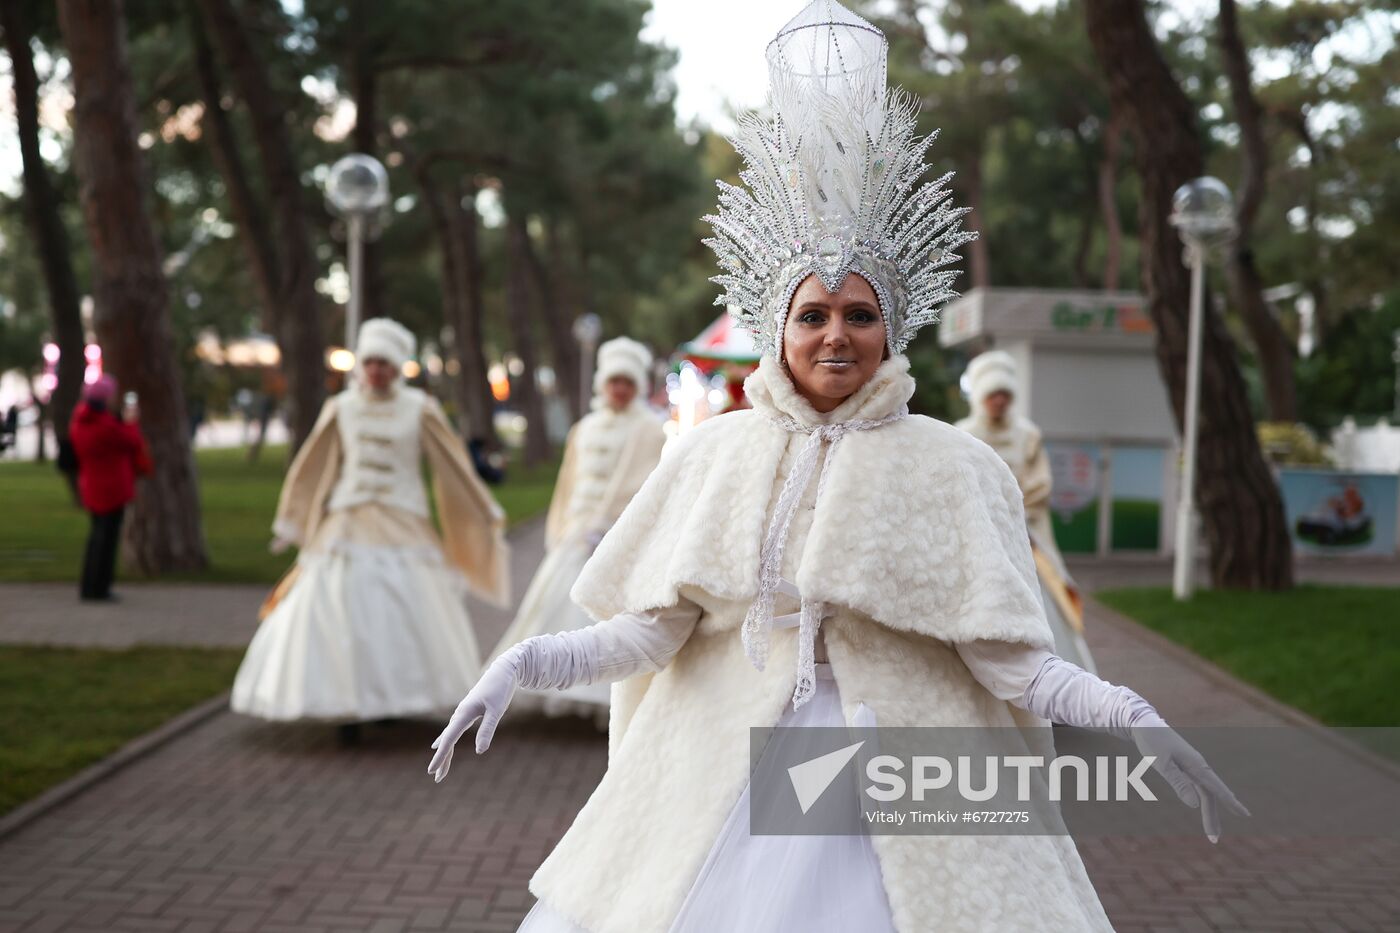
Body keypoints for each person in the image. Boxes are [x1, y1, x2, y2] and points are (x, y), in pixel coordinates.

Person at [429, 4, 1246, 931]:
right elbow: (653, 635)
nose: (835, 334)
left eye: (859, 314)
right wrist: (526, 660)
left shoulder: (955, 465)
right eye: (812, 314)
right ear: (777, 330)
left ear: (889, 330)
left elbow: (1012, 662)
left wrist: (1133, 714)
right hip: (719, 769)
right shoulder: (713, 452)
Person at [232, 318, 510, 736]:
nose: (377, 371)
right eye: (370, 362)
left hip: (404, 523)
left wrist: (483, 509)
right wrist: (292, 518)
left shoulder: (421, 409)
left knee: (400, 613)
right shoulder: (340, 407)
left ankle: (392, 700)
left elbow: (453, 467)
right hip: (347, 523)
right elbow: (312, 466)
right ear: (360, 365)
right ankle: (347, 706)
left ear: (399, 366)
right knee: (339, 610)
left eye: (385, 363)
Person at [489, 337, 666, 727]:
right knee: (558, 609)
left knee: (606, 617)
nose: (619, 389)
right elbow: (567, 484)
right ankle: (553, 684)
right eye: (613, 381)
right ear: (602, 384)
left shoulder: (649, 430)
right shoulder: (583, 428)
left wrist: (612, 529)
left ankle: (604, 698)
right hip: (575, 536)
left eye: (627, 382)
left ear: (636, 386)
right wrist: (560, 531)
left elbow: (647, 485)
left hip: (619, 539)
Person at [956, 350, 1098, 672]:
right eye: (993, 395)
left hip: (1025, 540)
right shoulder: (960, 433)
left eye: (1005, 395)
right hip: (975, 541)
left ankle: (1054, 682)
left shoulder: (1027, 435)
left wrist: (1011, 516)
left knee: (1044, 606)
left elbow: (1038, 490)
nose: (999, 402)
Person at [68, 375, 151, 602]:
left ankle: (90, 585)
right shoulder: (104, 426)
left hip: (92, 484)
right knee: (106, 540)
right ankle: (99, 587)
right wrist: (132, 422)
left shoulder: (79, 422)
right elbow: (131, 441)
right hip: (111, 487)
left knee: (97, 538)